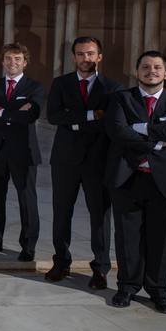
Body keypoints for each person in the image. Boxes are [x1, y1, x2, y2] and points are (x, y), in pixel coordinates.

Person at [105, 51, 166, 314]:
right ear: (137, 72)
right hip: (128, 177)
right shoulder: (121, 99)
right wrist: (161, 137)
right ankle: (127, 286)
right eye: (145, 67)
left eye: (157, 67)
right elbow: (117, 131)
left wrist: (142, 128)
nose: (151, 71)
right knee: (127, 237)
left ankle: (159, 290)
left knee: (163, 238)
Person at [46, 36, 121, 287]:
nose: (85, 58)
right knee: (61, 212)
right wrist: (90, 115)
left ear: (99, 56)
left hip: (98, 160)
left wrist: (74, 120)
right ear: (74, 57)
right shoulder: (60, 84)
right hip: (65, 160)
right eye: (80, 54)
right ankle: (61, 262)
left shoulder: (113, 88)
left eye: (90, 54)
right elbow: (54, 117)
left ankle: (100, 268)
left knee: (100, 215)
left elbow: (110, 123)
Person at [0, 42, 45, 261]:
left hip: (22, 151)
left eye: (17, 59)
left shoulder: (34, 87)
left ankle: (28, 246)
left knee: (27, 199)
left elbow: (29, 116)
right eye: (8, 58)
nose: (12, 63)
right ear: (2, 61)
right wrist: (12, 112)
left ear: (25, 62)